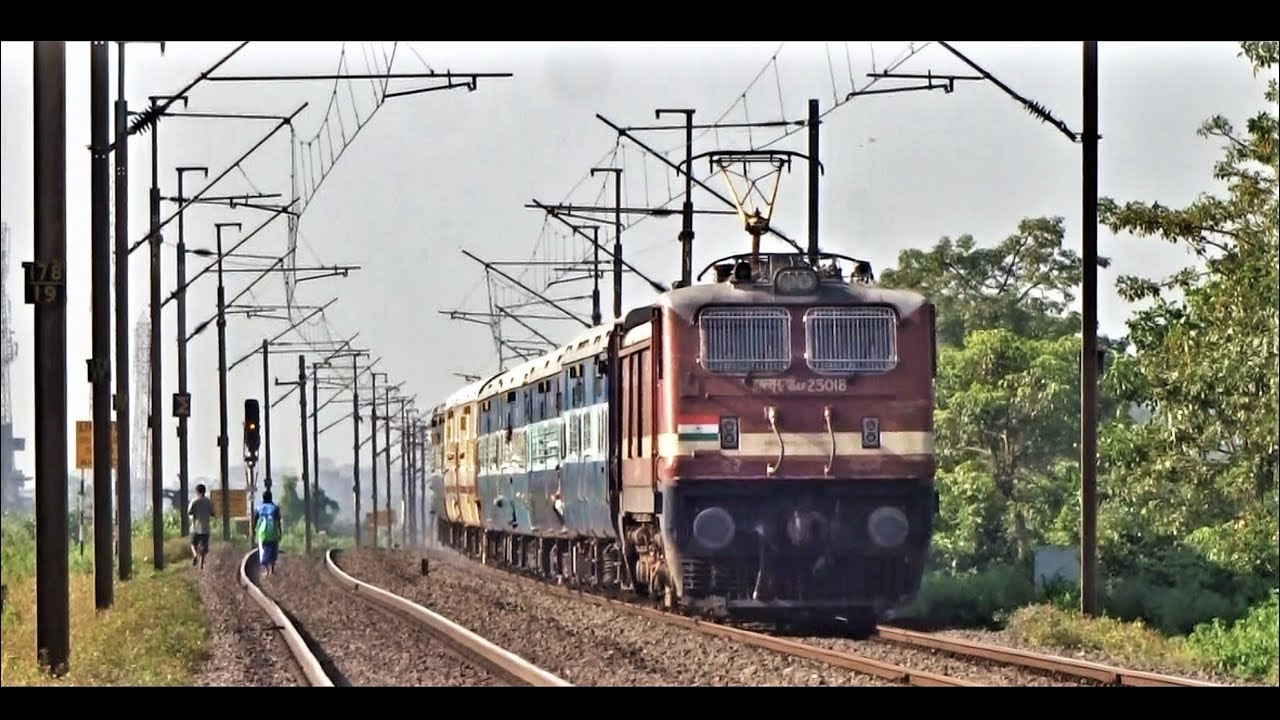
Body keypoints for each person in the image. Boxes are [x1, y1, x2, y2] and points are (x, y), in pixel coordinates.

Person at [254, 490, 283, 576]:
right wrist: (280, 532)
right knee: (273, 551)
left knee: (263, 550)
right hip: (273, 533)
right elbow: (278, 521)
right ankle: (271, 569)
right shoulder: (275, 508)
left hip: (262, 534)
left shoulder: (258, 508)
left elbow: (255, 522)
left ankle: (266, 569)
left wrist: (254, 532)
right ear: (271, 497)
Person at [188, 483, 214, 569]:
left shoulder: (194, 501)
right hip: (205, 528)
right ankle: (201, 564)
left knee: (192, 544)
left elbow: (189, 512)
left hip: (195, 527)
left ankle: (195, 555)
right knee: (204, 547)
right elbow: (213, 513)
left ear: (197, 492)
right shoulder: (209, 502)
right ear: (204, 491)